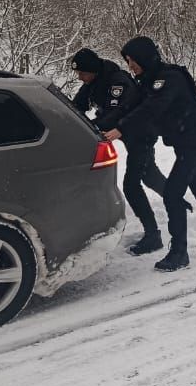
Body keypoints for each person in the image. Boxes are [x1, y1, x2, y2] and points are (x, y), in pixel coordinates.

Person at [102, 36, 196, 272]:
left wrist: (121, 129)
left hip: (193, 142)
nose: (130, 66)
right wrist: (100, 125)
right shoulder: (148, 80)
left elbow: (152, 108)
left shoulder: (169, 78)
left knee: (173, 194)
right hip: (183, 142)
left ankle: (179, 253)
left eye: (132, 61)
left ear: (144, 57)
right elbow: (130, 107)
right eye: (127, 62)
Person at [70, 47, 181, 257]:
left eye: (82, 73)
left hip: (141, 132)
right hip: (125, 132)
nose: (80, 77)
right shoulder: (92, 82)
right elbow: (77, 106)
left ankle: (153, 235)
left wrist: (90, 127)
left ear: (92, 70)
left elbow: (117, 112)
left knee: (131, 185)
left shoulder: (117, 81)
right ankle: (176, 201)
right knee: (149, 176)